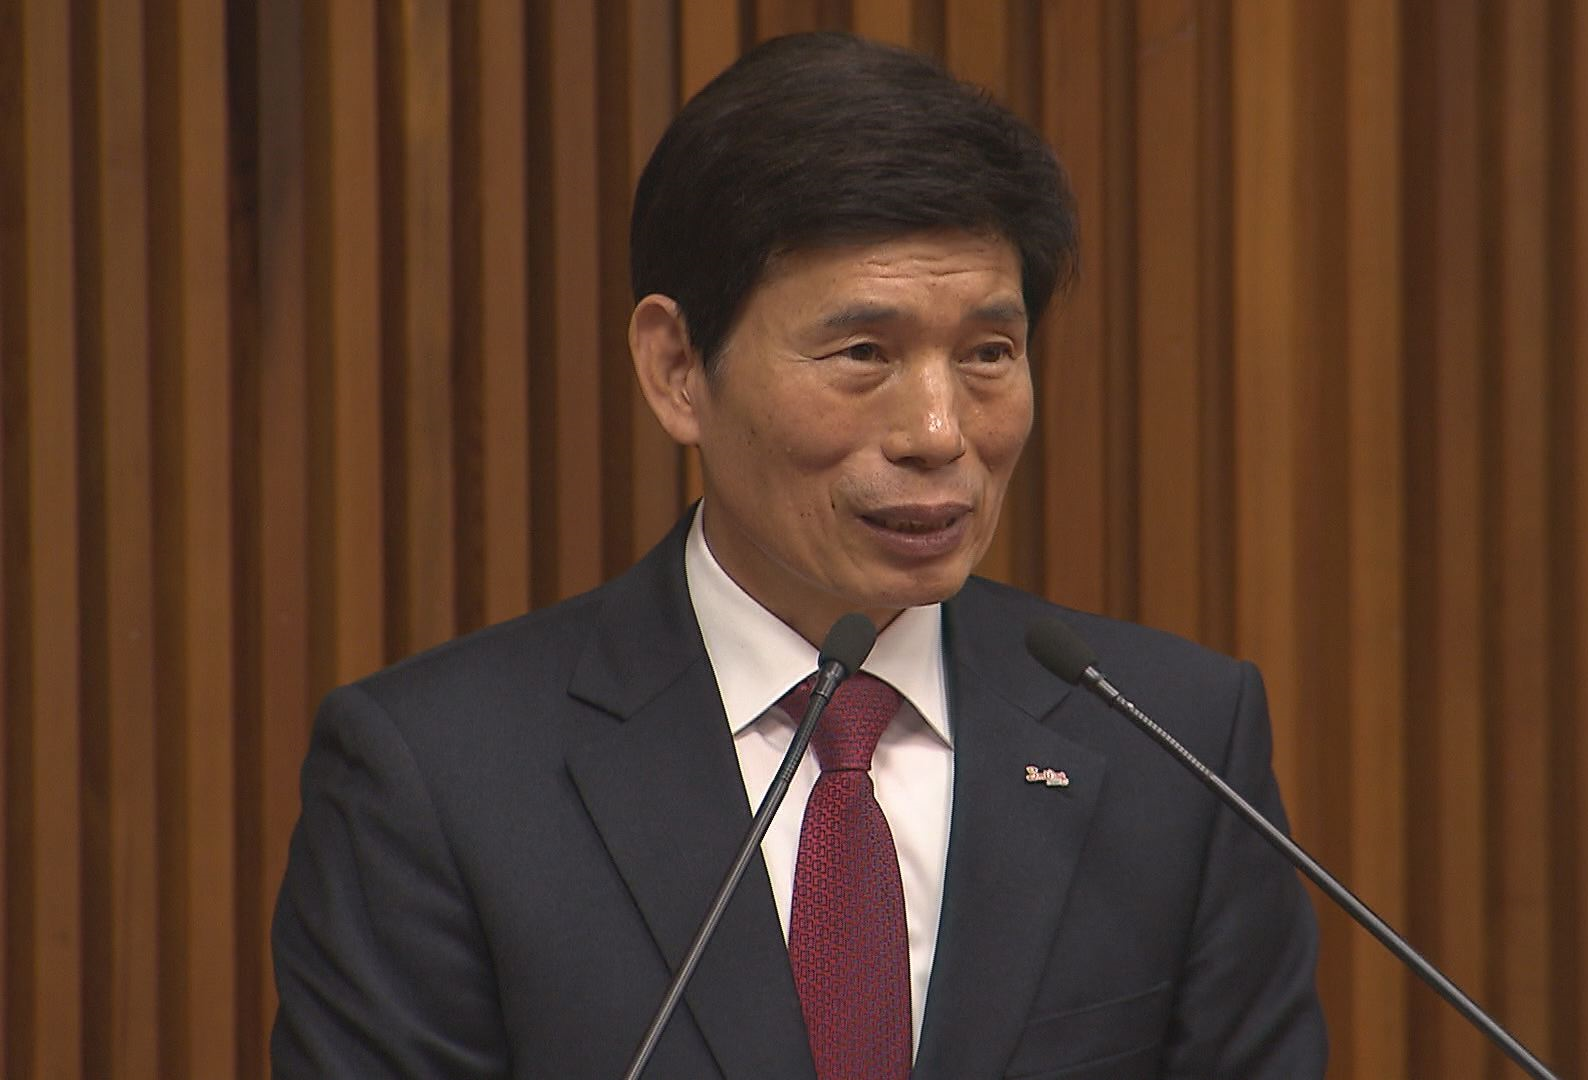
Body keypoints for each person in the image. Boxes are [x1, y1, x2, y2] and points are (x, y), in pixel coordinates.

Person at [271, 31, 1326, 1080]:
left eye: (987, 354)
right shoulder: (440, 779)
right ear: (678, 368)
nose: (938, 432)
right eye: (863, 353)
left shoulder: (1175, 747)